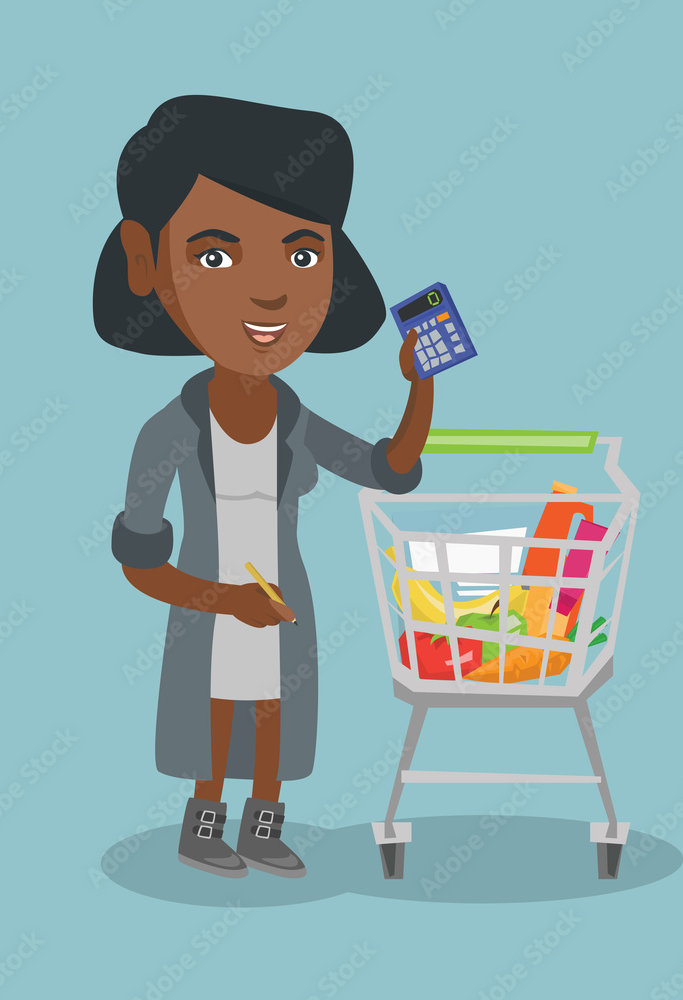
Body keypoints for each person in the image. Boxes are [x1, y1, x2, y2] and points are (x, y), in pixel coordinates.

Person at [94, 95, 433, 878]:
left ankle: (265, 825)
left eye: (303, 255)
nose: (272, 294)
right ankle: (201, 828)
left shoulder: (294, 415)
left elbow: (387, 470)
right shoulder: (168, 432)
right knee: (213, 717)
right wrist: (221, 600)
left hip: (285, 604)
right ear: (146, 262)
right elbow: (142, 562)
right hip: (214, 609)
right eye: (215, 257)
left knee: (278, 716)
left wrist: (421, 387)